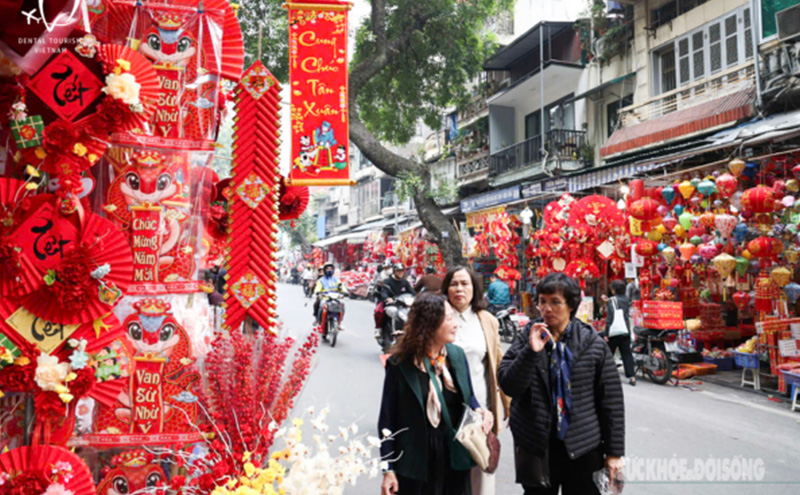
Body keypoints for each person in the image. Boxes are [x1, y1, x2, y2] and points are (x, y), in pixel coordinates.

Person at [498, 273, 625, 495]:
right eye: (542, 302)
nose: (547, 308)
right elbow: (509, 385)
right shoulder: (528, 335)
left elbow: (611, 401)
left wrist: (614, 453)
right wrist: (530, 352)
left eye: (555, 302)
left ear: (571, 305)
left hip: (582, 444)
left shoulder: (592, 343)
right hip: (537, 444)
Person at [378, 293, 493, 495]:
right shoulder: (400, 365)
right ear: (429, 324)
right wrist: (388, 469)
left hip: (454, 456)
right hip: (416, 461)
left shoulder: (456, 356)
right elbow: (387, 420)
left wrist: (480, 410)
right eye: (448, 318)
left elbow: (469, 397)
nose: (455, 323)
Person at [442, 267, 511, 495]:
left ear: (475, 288)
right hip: (445, 410)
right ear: (446, 289)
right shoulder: (437, 316)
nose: (459, 289)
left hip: (481, 411)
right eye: (454, 284)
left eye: (465, 283)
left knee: (482, 475)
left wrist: (507, 405)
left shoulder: (487, 320)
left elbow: (498, 364)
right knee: (448, 477)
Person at [601, 280, 635, 386]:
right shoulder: (627, 299)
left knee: (609, 353)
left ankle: (607, 375)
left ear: (614, 290)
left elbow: (609, 318)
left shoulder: (613, 300)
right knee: (626, 354)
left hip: (615, 331)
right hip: (625, 330)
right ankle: (632, 376)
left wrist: (606, 333)